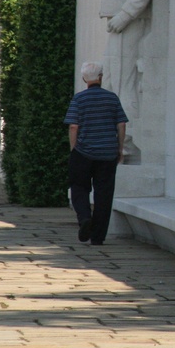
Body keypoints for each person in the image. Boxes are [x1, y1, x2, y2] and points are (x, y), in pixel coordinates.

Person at [100, 0, 153, 162]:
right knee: (111, 83)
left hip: (127, 28)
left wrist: (123, 16)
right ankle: (116, 140)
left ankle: (127, 143)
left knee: (124, 84)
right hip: (117, 28)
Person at [64, 61, 128, 245]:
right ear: (101, 77)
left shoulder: (79, 99)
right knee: (104, 194)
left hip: (83, 152)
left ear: (84, 79)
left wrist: (74, 148)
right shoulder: (112, 98)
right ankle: (98, 237)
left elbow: (73, 126)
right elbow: (121, 124)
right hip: (107, 153)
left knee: (79, 188)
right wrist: (119, 148)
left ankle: (85, 217)